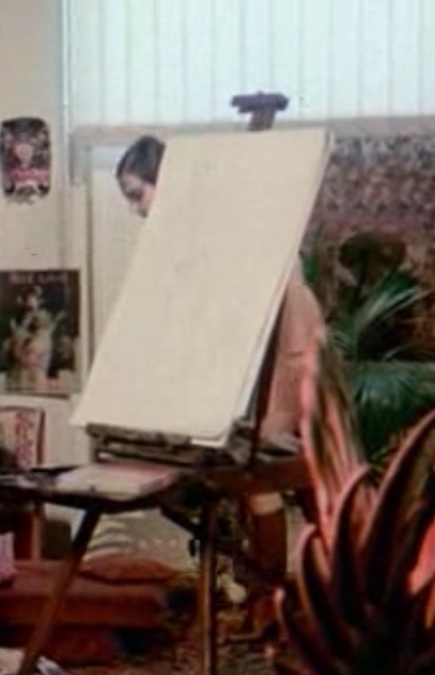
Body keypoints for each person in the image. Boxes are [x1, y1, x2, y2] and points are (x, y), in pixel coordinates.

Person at [115, 134, 326, 636]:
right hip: (265, 346)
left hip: (287, 343)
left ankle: (284, 600)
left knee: (275, 477)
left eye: (137, 194)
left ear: (163, 182)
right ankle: (278, 598)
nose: (135, 208)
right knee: (277, 479)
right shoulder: (186, 228)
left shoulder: (209, 222)